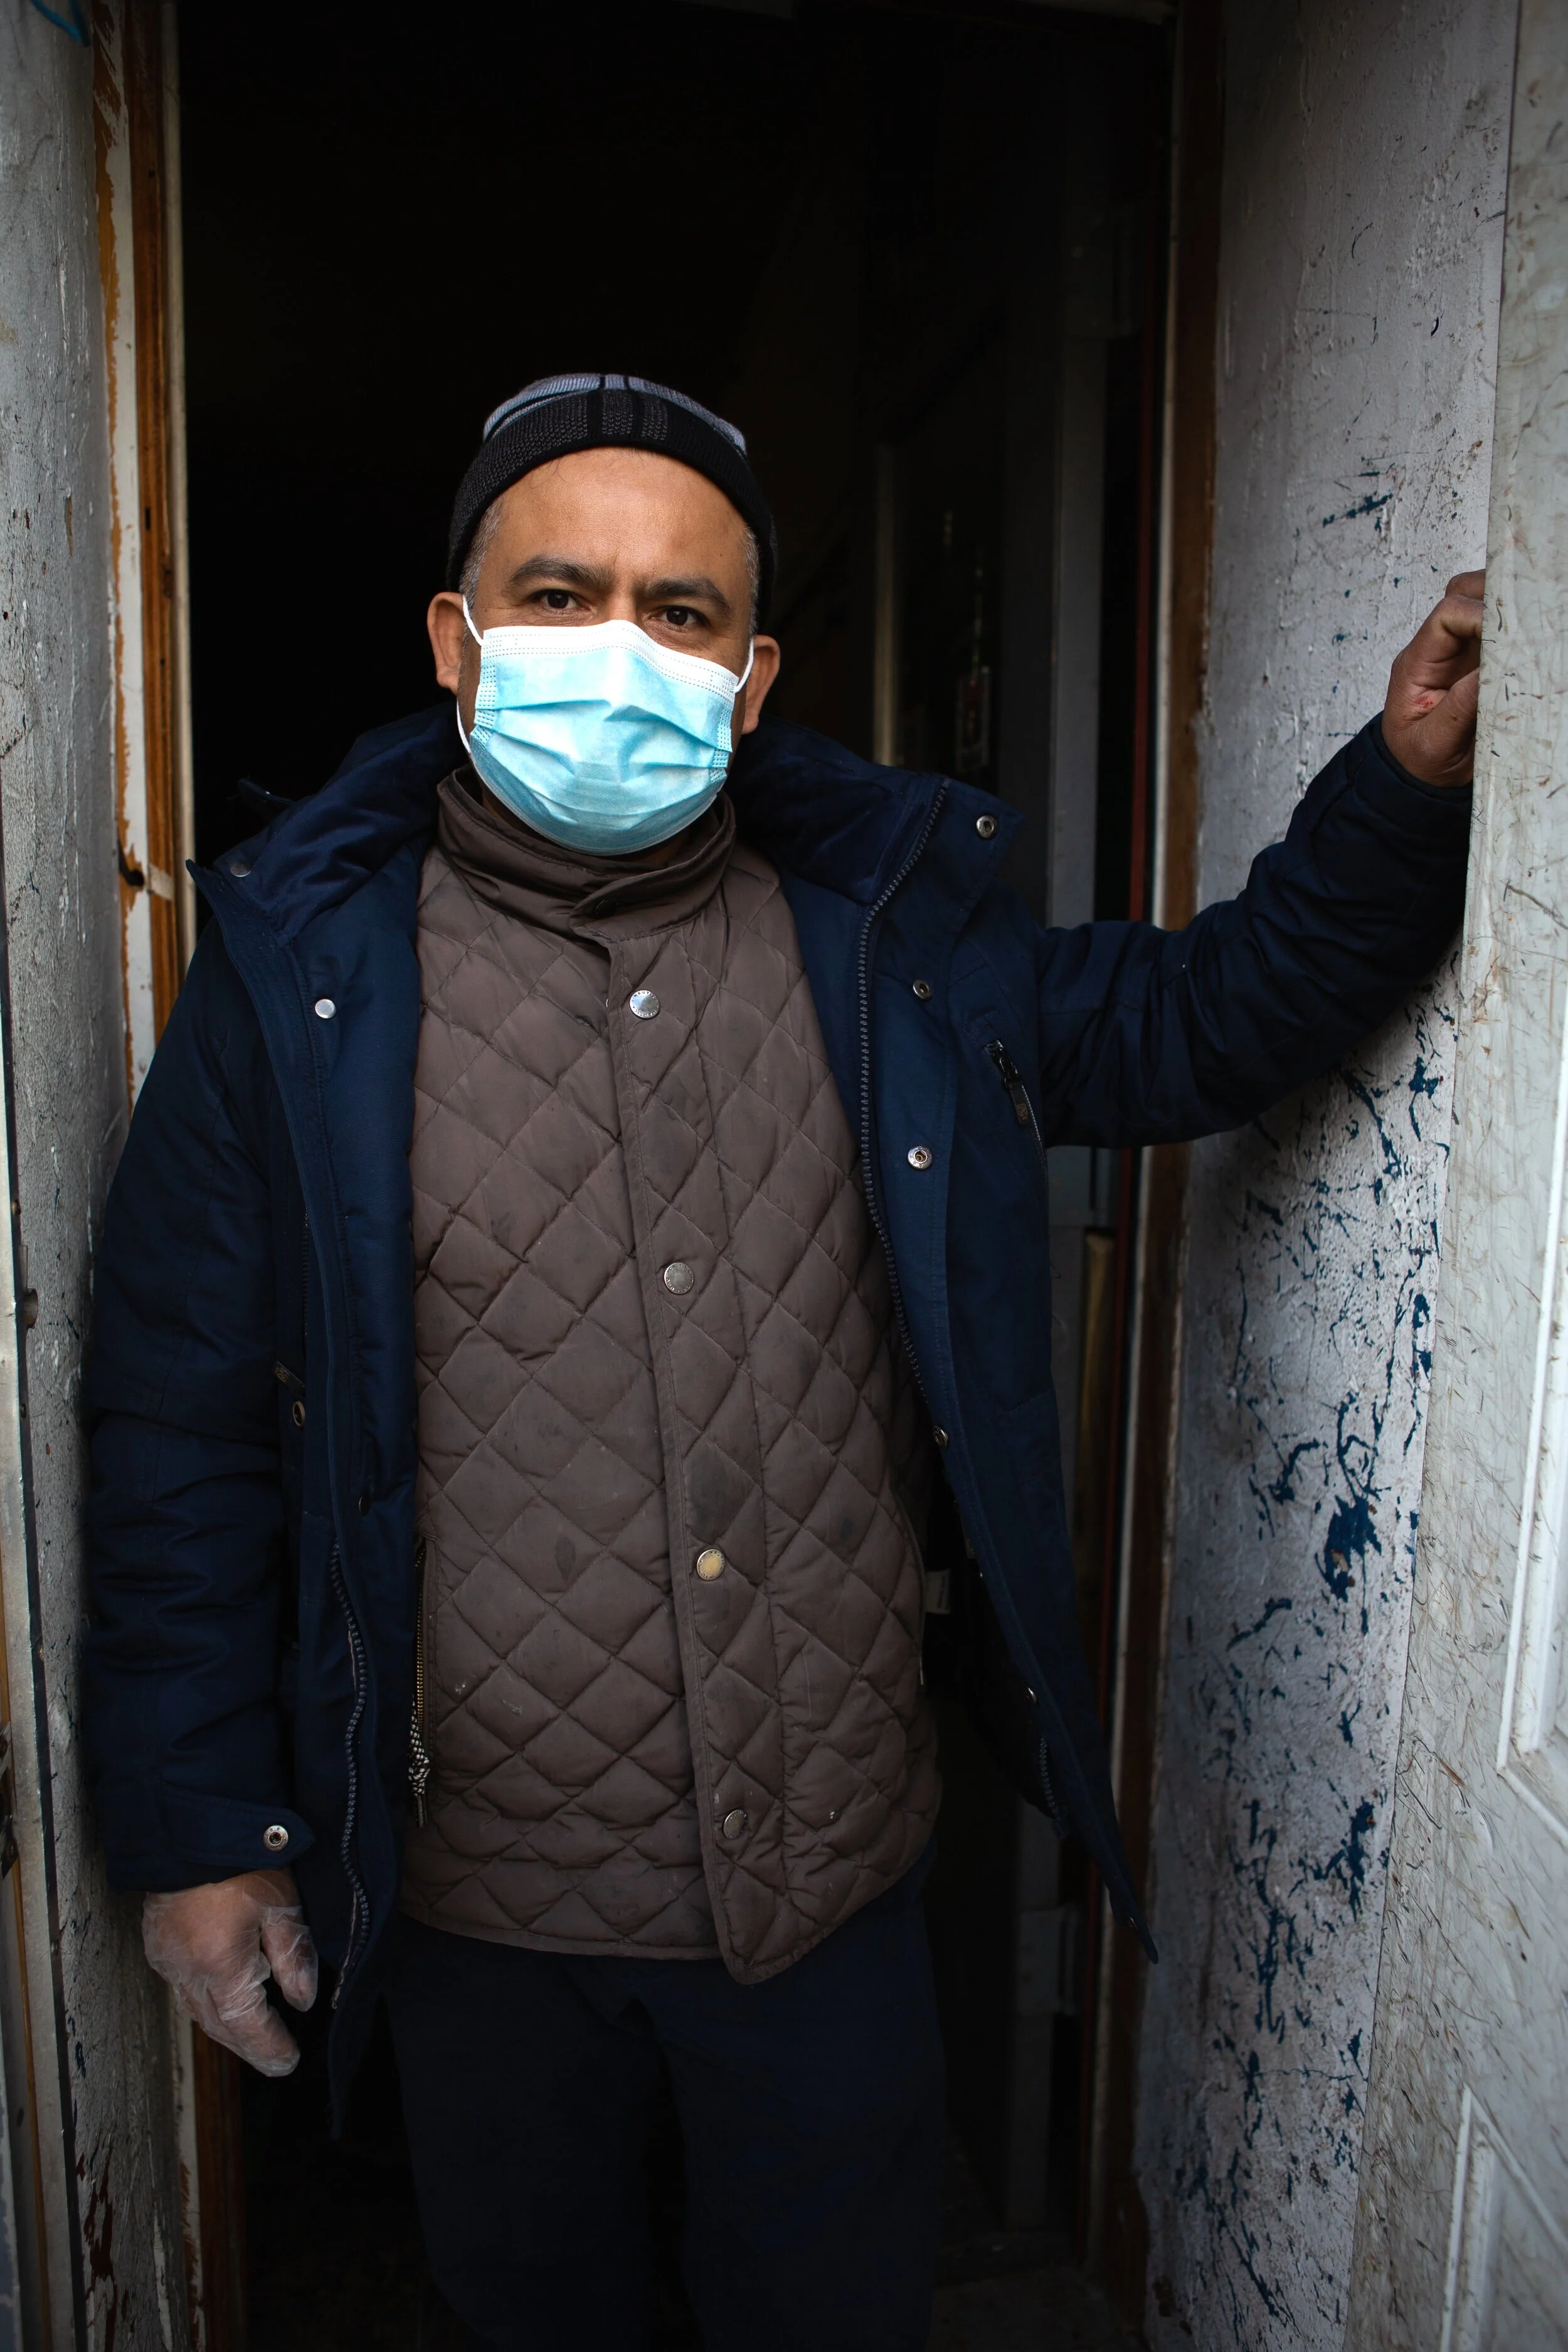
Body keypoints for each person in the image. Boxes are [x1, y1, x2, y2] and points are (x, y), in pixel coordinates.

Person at [83, 373, 1481, 2352]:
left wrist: (1402, 793)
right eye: (559, 593)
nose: (615, 651)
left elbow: (1199, 1017)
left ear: (747, 683)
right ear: (454, 643)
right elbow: (176, 1417)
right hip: (483, 1906)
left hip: (826, 1898)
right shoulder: (299, 984)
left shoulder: (889, 947)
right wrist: (201, 1827)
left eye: (677, 614)